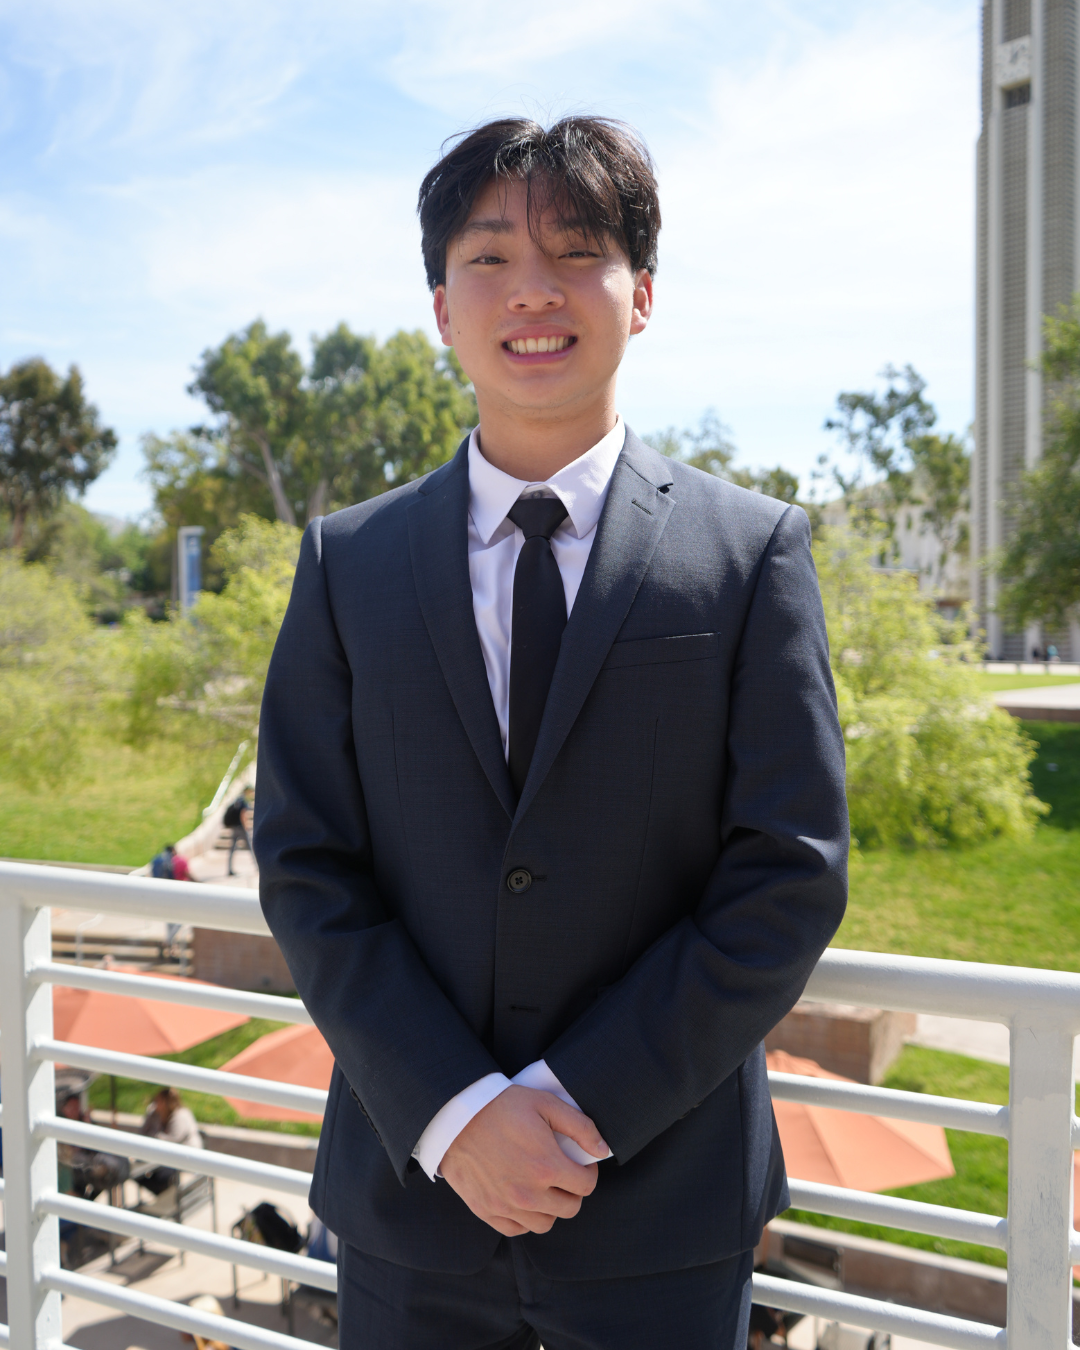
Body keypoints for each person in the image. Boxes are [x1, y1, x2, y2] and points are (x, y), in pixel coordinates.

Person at [255, 116, 848, 1350]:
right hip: (409, 1204)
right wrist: (456, 1110)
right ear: (439, 307)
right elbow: (308, 863)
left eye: (576, 251)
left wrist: (576, 1108)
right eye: (487, 258)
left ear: (641, 295)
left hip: (661, 1218)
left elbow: (786, 875)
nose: (531, 289)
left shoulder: (748, 557)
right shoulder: (347, 562)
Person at [139, 1087, 202, 1194]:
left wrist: (156, 1135)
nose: (154, 1104)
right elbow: (143, 1132)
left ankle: (164, 1199)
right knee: (143, 1176)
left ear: (166, 1102)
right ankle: (163, 1197)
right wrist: (150, 1115)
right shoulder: (158, 1114)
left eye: (157, 1101)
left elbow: (171, 1141)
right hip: (170, 1159)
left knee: (157, 1178)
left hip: (185, 1161)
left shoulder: (180, 1115)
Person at [223, 787, 254, 876]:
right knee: (250, 847)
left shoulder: (237, 800)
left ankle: (229, 869)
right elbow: (243, 814)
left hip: (234, 827)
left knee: (232, 849)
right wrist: (246, 827)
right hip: (241, 828)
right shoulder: (244, 801)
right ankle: (258, 867)